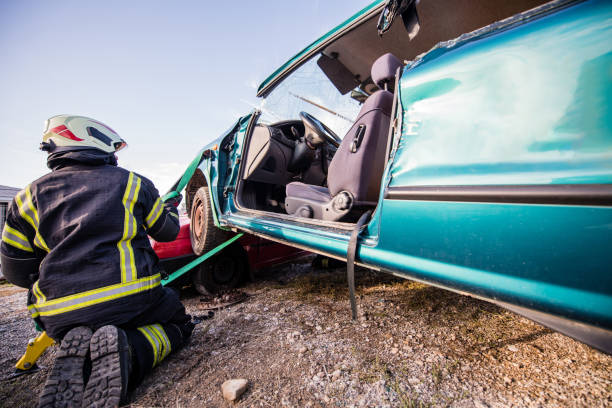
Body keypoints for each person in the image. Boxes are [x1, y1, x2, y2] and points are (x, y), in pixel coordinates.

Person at [0, 115, 194, 407]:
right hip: (134, 299)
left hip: (60, 315)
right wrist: (167, 208)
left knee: (85, 328)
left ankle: (84, 351)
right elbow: (166, 232)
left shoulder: (27, 198)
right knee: (178, 323)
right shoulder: (132, 182)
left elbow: (15, 271)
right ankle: (130, 349)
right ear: (92, 139)